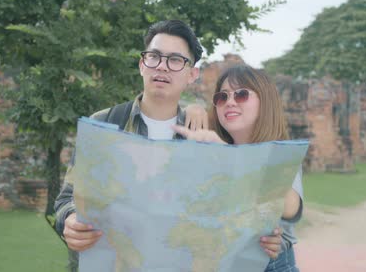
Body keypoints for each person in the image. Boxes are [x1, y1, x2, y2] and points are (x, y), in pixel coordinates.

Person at [53, 21, 281, 271]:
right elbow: (68, 197)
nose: (162, 66)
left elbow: (234, 211)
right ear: (142, 65)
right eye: (154, 57)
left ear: (192, 74)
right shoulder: (104, 125)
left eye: (175, 60)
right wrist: (71, 220)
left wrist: (263, 235)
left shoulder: (207, 138)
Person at [173, 64, 303, 272]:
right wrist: (193, 109)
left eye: (241, 94)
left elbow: (289, 207)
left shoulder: (279, 153)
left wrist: (228, 154)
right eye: (221, 97)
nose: (230, 102)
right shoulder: (212, 152)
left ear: (265, 101)